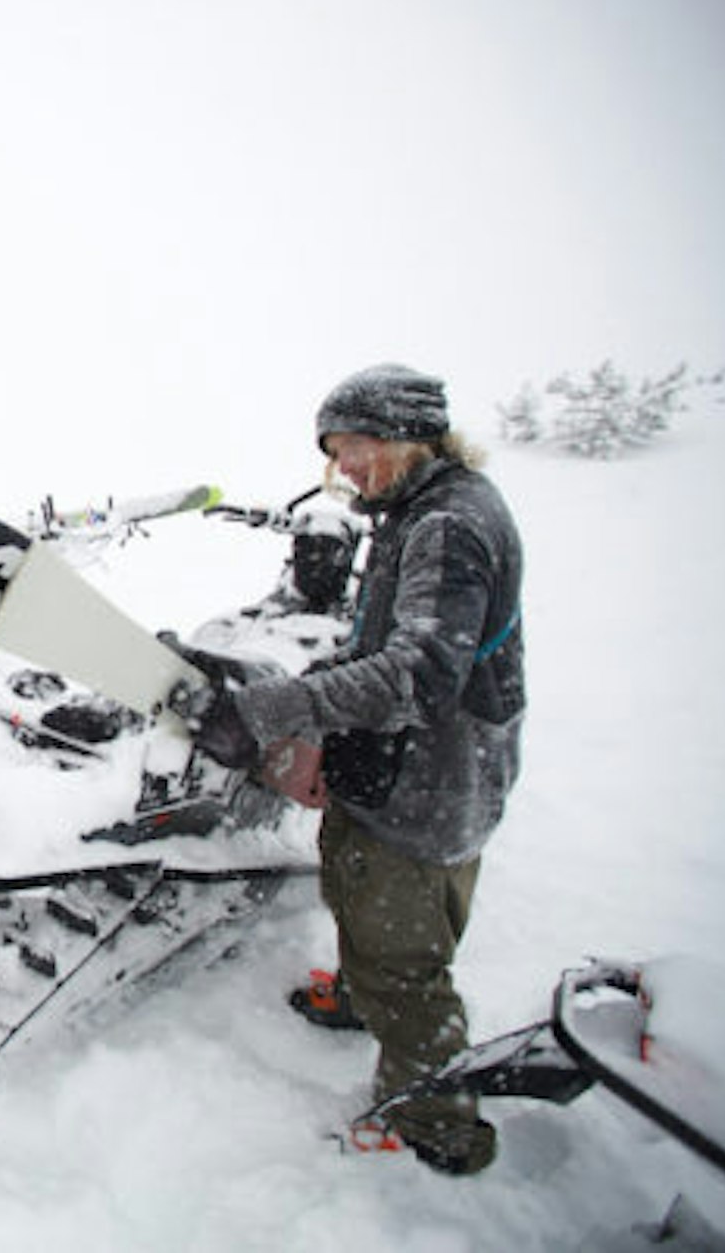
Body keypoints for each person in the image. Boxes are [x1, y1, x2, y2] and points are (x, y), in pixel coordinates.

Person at [181, 364, 525, 1176]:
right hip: (449, 770)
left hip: (426, 777)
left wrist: (271, 711)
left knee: (405, 957)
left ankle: (434, 1122)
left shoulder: (445, 526)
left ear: (409, 433)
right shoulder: (431, 507)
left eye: (360, 447)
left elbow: (416, 673)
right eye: (336, 455)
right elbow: (388, 642)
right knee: (389, 909)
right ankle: (364, 994)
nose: (349, 470)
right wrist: (302, 685)